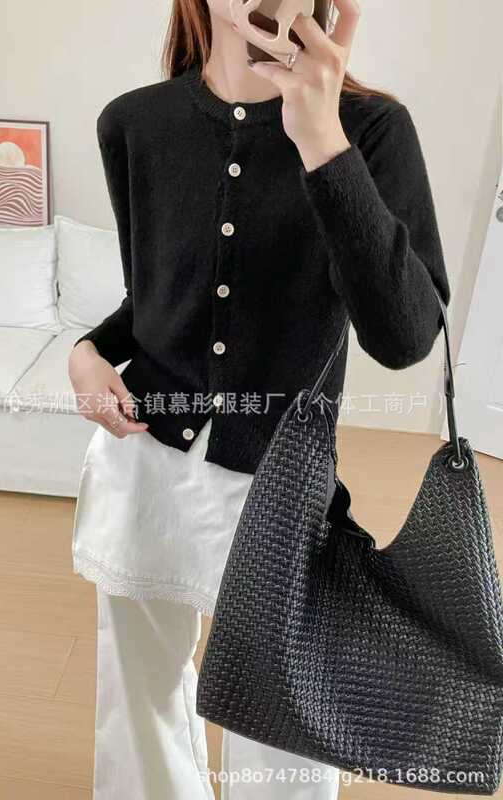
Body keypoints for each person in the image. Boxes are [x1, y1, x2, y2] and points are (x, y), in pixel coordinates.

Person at [68, 0, 451, 797]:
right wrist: (87, 352)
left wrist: (322, 142)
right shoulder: (133, 124)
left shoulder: (371, 131)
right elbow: (155, 299)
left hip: (280, 481)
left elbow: (406, 336)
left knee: (283, 726)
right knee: (137, 699)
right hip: (142, 460)